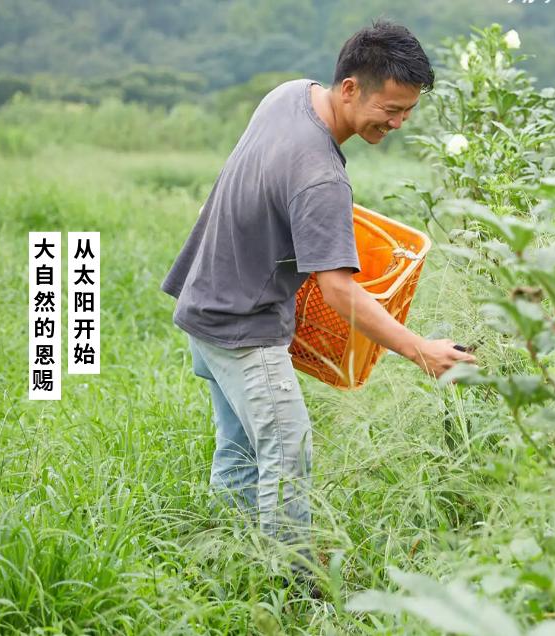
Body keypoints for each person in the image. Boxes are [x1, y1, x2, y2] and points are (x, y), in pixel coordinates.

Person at [160, 19, 475, 598]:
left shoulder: (289, 95)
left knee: (239, 448)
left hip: (204, 302)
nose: (398, 123)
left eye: (408, 111)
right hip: (243, 329)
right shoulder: (321, 177)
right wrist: (420, 350)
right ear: (350, 89)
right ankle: (294, 591)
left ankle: (225, 564)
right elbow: (338, 290)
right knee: (288, 451)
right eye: (391, 109)